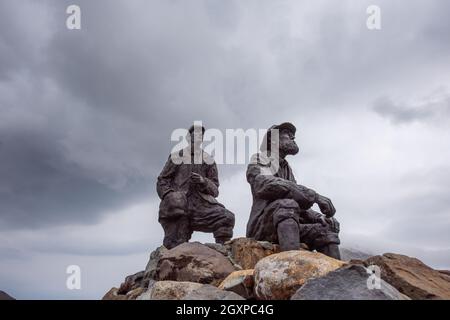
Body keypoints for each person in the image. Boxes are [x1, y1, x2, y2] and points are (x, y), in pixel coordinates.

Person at [246, 122, 341, 259]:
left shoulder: (286, 168)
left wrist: (319, 217)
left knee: (325, 230)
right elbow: (263, 184)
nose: (292, 138)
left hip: (287, 223)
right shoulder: (260, 159)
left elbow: (297, 201)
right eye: (287, 135)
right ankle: (291, 264)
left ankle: (338, 275)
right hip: (262, 227)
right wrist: (314, 197)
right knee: (287, 204)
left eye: (293, 136)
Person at [157, 124, 235, 249]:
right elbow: (162, 180)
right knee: (175, 246)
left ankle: (224, 251)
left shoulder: (208, 160)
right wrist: (170, 196)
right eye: (195, 134)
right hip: (180, 206)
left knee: (227, 217)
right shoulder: (177, 156)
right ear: (189, 137)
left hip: (201, 206)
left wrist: (203, 181)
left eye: (200, 135)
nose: (198, 137)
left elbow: (215, 189)